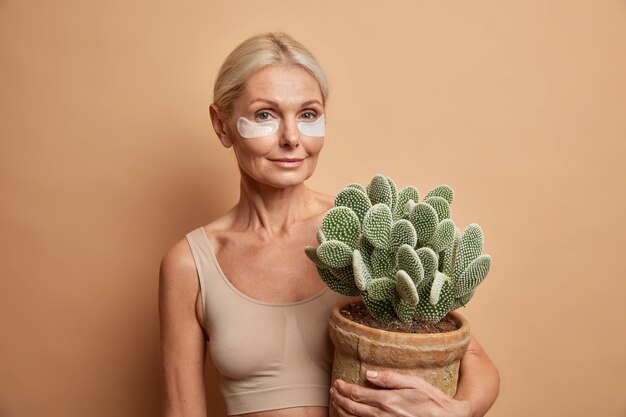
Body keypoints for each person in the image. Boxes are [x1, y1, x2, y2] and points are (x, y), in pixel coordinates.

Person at [159, 32, 500, 417]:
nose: (291, 138)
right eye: (265, 115)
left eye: (307, 115)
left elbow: (473, 359)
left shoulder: (365, 231)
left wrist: (458, 411)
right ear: (222, 125)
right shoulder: (189, 264)